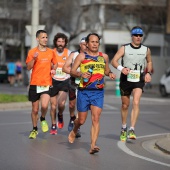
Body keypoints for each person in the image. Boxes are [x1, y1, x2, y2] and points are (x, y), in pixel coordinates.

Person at [68, 33, 116, 154]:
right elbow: (72, 71)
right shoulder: (81, 56)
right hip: (84, 92)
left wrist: (110, 73)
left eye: (97, 42)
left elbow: (106, 70)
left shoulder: (104, 57)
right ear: (87, 44)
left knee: (96, 118)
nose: (95, 44)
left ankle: (93, 145)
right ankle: (74, 129)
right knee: (82, 120)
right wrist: (80, 74)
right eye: (92, 42)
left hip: (98, 92)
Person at [111, 26, 153, 142]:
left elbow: (149, 61)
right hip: (126, 78)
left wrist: (148, 73)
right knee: (125, 105)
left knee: (136, 101)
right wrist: (121, 68)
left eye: (140, 35)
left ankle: (132, 129)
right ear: (132, 36)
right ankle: (124, 127)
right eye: (136, 35)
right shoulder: (124, 48)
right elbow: (114, 61)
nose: (138, 37)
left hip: (139, 78)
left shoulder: (146, 49)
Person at [26, 30, 57, 139]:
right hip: (35, 83)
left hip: (46, 83)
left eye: (46, 37)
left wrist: (53, 69)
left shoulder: (51, 52)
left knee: (44, 106)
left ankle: (43, 118)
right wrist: (34, 58)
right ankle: (34, 129)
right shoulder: (32, 52)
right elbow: (29, 67)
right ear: (37, 39)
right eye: (43, 37)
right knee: (35, 110)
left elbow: (55, 63)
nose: (45, 39)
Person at [62, 37, 87, 138]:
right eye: (84, 44)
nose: (86, 46)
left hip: (85, 83)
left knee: (80, 105)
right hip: (74, 81)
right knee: (72, 105)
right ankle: (72, 118)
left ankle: (77, 127)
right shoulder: (73, 54)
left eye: (87, 44)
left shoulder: (91, 56)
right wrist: (76, 73)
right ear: (80, 45)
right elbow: (64, 68)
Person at [50, 33, 72, 135]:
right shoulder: (51, 52)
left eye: (63, 42)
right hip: (52, 80)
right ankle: (54, 125)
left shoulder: (69, 53)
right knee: (53, 106)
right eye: (59, 41)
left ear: (65, 43)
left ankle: (60, 114)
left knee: (61, 104)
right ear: (55, 42)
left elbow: (74, 65)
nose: (61, 44)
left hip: (64, 80)